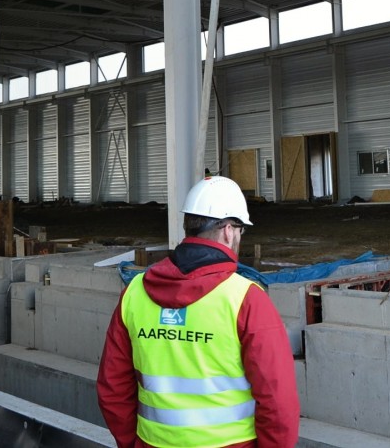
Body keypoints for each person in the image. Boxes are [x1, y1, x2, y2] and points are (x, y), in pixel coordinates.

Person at [97, 176, 300, 448]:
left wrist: (132, 443)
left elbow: (113, 389)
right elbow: (278, 401)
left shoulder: (134, 294)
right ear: (228, 231)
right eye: (240, 231)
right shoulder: (246, 299)